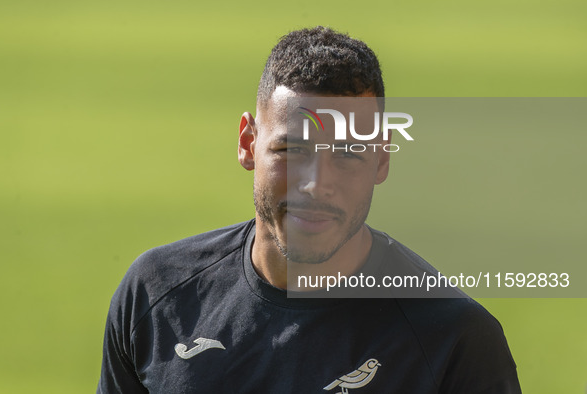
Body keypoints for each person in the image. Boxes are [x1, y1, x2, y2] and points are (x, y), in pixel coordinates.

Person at [97, 26, 521, 393]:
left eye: (348, 153)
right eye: (292, 149)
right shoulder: (156, 294)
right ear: (248, 143)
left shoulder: (454, 340)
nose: (317, 184)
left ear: (382, 157)